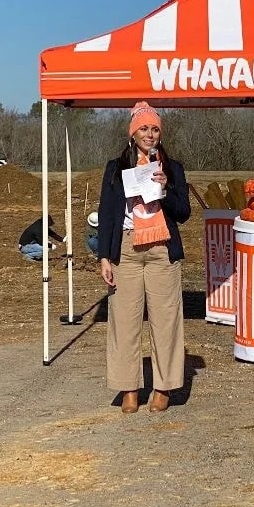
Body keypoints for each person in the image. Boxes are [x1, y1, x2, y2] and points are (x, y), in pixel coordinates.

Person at [97, 101, 191, 414]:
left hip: (162, 249)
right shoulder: (116, 167)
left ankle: (163, 387)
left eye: (154, 129)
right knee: (124, 321)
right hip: (126, 248)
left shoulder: (172, 167)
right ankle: (129, 389)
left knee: (165, 320)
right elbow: (108, 214)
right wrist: (104, 257)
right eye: (144, 129)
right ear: (133, 133)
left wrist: (166, 190)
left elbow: (184, 212)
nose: (149, 134)